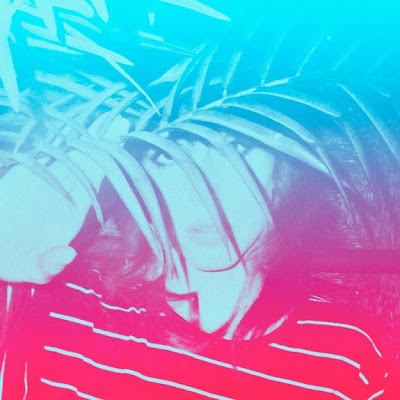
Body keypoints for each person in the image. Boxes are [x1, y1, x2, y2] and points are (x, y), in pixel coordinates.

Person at [0, 130, 390, 399]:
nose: (203, 191)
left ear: (282, 173)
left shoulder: (345, 355)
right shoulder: (64, 304)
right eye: (167, 156)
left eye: (238, 150)